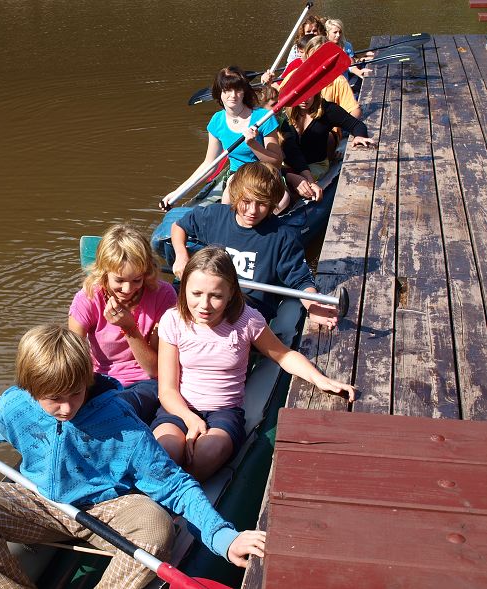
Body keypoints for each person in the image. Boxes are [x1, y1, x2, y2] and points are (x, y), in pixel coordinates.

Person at [0, 324, 267, 589]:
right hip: (40, 502)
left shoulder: (121, 423)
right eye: (54, 398)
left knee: (155, 525)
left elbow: (174, 485)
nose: (67, 408)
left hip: (104, 512)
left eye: (75, 393)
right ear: (30, 388)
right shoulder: (16, 405)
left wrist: (223, 537)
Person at [151, 247, 356, 481]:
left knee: (207, 452)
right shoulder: (173, 320)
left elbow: (283, 355)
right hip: (179, 408)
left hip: (224, 412)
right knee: (166, 448)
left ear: (231, 293)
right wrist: (190, 419)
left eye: (216, 296)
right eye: (196, 293)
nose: (204, 305)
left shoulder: (247, 320)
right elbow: (167, 390)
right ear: (184, 288)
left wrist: (319, 379)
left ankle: (184, 493)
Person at [169, 162, 338, 330]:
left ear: (272, 202)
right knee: (167, 300)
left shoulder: (283, 237)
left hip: (249, 309)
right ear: (235, 195)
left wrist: (313, 307)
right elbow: (179, 226)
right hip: (210, 298)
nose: (252, 211)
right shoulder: (214, 215)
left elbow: (300, 280)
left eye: (262, 203)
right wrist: (181, 255)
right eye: (246, 201)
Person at [69, 224, 177, 423]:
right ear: (103, 273)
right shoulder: (88, 297)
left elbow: (155, 369)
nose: (128, 289)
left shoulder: (163, 295)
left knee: (115, 408)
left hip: (145, 383)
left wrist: (129, 328)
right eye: (119, 280)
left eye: (137, 280)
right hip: (99, 380)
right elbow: (72, 355)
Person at [160, 66, 282, 210]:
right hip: (237, 176)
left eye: (238, 90)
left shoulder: (263, 117)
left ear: (244, 91)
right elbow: (209, 164)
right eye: (227, 90)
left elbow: (276, 162)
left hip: (264, 173)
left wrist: (253, 144)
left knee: (281, 203)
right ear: (219, 93)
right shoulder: (216, 121)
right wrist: (178, 192)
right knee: (229, 197)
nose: (233, 95)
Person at [281, 91, 375, 200]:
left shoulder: (328, 110)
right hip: (289, 164)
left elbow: (356, 125)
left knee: (294, 192)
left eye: (308, 94)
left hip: (316, 164)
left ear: (316, 91)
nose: (304, 100)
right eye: (300, 95)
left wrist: (359, 135)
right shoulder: (284, 114)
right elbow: (290, 149)